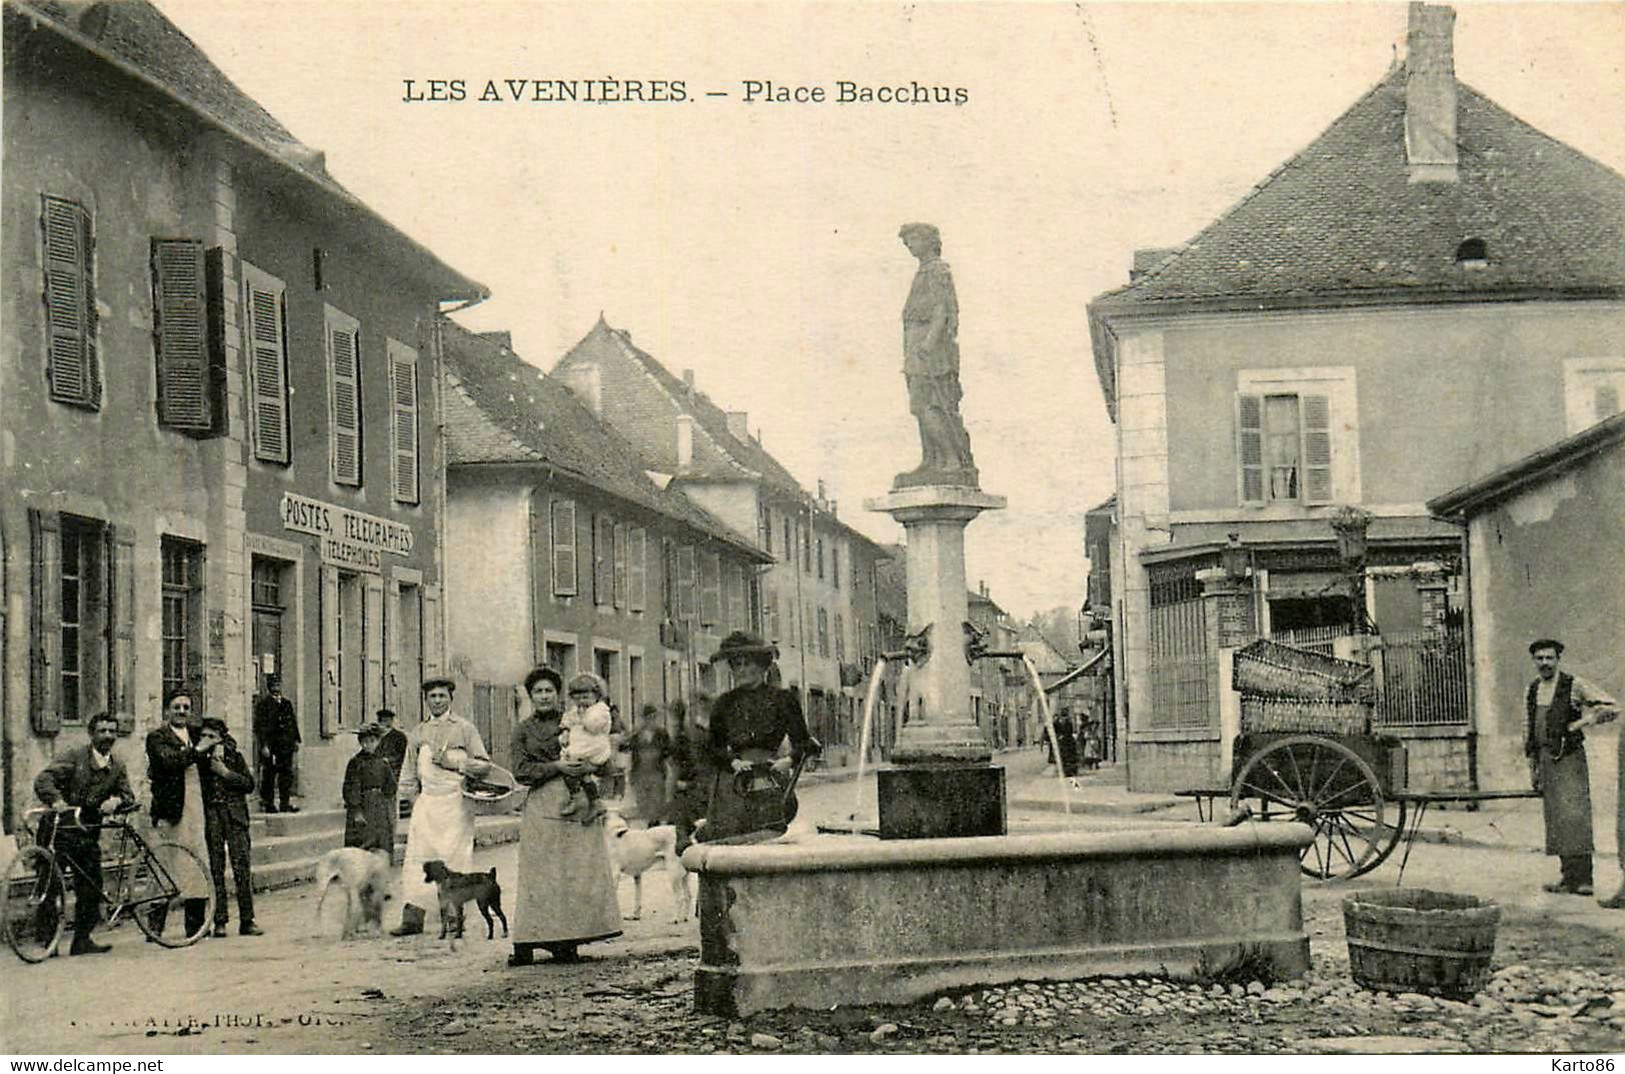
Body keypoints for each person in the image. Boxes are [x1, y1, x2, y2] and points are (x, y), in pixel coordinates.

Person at [508, 665, 622, 966]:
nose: (544, 696)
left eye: (549, 690)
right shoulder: (523, 730)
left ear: (558, 694)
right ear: (530, 696)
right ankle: (528, 940)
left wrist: (588, 768)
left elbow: (600, 754)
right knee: (539, 875)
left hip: (577, 800)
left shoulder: (576, 719)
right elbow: (520, 771)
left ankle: (567, 940)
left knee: (574, 872)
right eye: (538, 691)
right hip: (542, 804)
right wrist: (555, 767)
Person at [391, 677, 491, 936]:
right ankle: (413, 917)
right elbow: (409, 772)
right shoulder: (418, 732)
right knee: (417, 860)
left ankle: (453, 918)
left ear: (450, 699)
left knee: (454, 860)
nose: (437, 701)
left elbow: (483, 765)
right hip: (427, 805)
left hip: (456, 804)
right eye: (432, 696)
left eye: (442, 696)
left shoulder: (465, 729)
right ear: (426, 700)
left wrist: (454, 763)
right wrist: (415, 801)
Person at [699, 632, 821, 844]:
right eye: (736, 665)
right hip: (734, 781)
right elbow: (713, 748)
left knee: (768, 833)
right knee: (729, 836)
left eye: (748, 663)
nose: (742, 670)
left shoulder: (783, 700)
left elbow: (804, 742)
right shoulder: (723, 704)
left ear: (763, 665)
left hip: (771, 777)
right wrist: (733, 762)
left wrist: (788, 761)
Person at [32, 713, 136, 955]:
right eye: (102, 731)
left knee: (91, 884)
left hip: (87, 829)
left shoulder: (117, 765)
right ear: (92, 734)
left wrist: (116, 801)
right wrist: (56, 800)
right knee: (50, 882)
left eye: (112, 731)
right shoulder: (75, 756)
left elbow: (128, 794)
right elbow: (44, 779)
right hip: (59, 827)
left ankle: (82, 939)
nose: (108, 736)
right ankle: (49, 941)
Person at [1524, 639, 1619, 896]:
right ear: (1534, 661)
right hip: (1546, 760)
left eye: (1549, 658)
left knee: (1575, 815)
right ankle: (1567, 878)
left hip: (1570, 759)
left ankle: (1585, 879)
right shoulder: (1532, 689)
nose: (1545, 663)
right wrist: (1533, 765)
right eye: (1540, 658)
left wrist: (1580, 724)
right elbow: (1530, 729)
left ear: (1558, 660)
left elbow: (1611, 707)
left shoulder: (1573, 685)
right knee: (1556, 819)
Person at [895, 221, 976, 488]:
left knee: (930, 402)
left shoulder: (937, 271)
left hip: (931, 348)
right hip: (916, 344)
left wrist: (929, 344)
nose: (909, 245)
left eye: (913, 239)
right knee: (921, 403)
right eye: (907, 241)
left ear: (929, 241)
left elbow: (943, 309)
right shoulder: (924, 271)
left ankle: (951, 460)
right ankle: (932, 459)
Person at [145, 689, 216, 939]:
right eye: (177, 707)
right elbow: (169, 762)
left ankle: (194, 926)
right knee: (165, 863)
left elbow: (220, 739)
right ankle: (154, 927)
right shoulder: (157, 738)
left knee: (196, 862)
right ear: (167, 710)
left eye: (186, 707)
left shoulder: (196, 734)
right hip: (171, 808)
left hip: (196, 806)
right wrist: (199, 751)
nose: (182, 711)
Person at [197, 717, 261, 938]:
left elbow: (249, 784)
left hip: (235, 818)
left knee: (241, 867)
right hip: (212, 816)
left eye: (212, 737)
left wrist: (225, 773)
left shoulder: (234, 757)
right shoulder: (198, 760)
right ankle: (220, 921)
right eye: (204, 736)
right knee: (215, 868)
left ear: (221, 738)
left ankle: (247, 920)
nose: (207, 741)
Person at [560, 674, 614, 821]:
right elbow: (567, 721)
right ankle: (586, 800)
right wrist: (565, 732)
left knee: (577, 770)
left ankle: (590, 801)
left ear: (596, 696)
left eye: (585, 697)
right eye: (577, 698)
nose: (581, 701)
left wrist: (583, 717)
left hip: (594, 747)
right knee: (576, 773)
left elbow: (594, 727)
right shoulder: (574, 710)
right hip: (579, 747)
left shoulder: (600, 710)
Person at [343, 723, 399, 853]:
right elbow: (351, 788)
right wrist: (356, 811)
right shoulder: (355, 762)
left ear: (378, 741)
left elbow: (391, 786)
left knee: (382, 840)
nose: (368, 745)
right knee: (362, 841)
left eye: (372, 741)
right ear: (360, 743)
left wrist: (386, 803)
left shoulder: (382, 763)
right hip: (363, 805)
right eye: (364, 741)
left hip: (380, 806)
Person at [253, 676, 300, 813]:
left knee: (286, 774)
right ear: (269, 687)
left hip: (286, 746)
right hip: (271, 746)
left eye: (278, 685)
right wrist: (264, 746)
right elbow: (259, 727)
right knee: (269, 774)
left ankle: (285, 803)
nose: (276, 688)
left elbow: (292, 723)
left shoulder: (286, 704)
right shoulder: (263, 705)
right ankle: (269, 803)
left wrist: (295, 741)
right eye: (273, 685)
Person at [628, 704, 674, 826]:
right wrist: (632, 775)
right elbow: (633, 756)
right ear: (643, 718)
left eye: (653, 717)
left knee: (657, 801)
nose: (651, 720)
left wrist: (668, 774)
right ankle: (646, 828)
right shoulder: (636, 735)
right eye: (648, 717)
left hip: (656, 772)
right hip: (641, 772)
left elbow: (668, 754)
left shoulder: (662, 734)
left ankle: (655, 825)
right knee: (643, 802)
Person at [375, 708, 409, 786]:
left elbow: (402, 756)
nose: (382, 723)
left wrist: (388, 760)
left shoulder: (399, 737)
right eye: (381, 721)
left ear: (391, 721)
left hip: (394, 773)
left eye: (386, 720)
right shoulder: (375, 736)